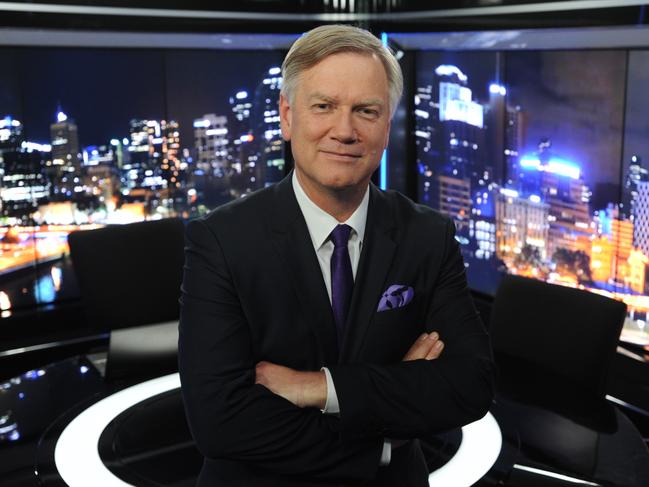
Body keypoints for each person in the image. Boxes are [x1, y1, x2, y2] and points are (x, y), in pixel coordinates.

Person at [179, 24, 495, 487]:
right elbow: (220, 424)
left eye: (366, 111)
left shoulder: (428, 235)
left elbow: (470, 386)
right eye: (323, 106)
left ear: (387, 127)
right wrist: (386, 436)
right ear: (288, 117)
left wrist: (320, 388)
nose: (344, 131)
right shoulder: (220, 240)